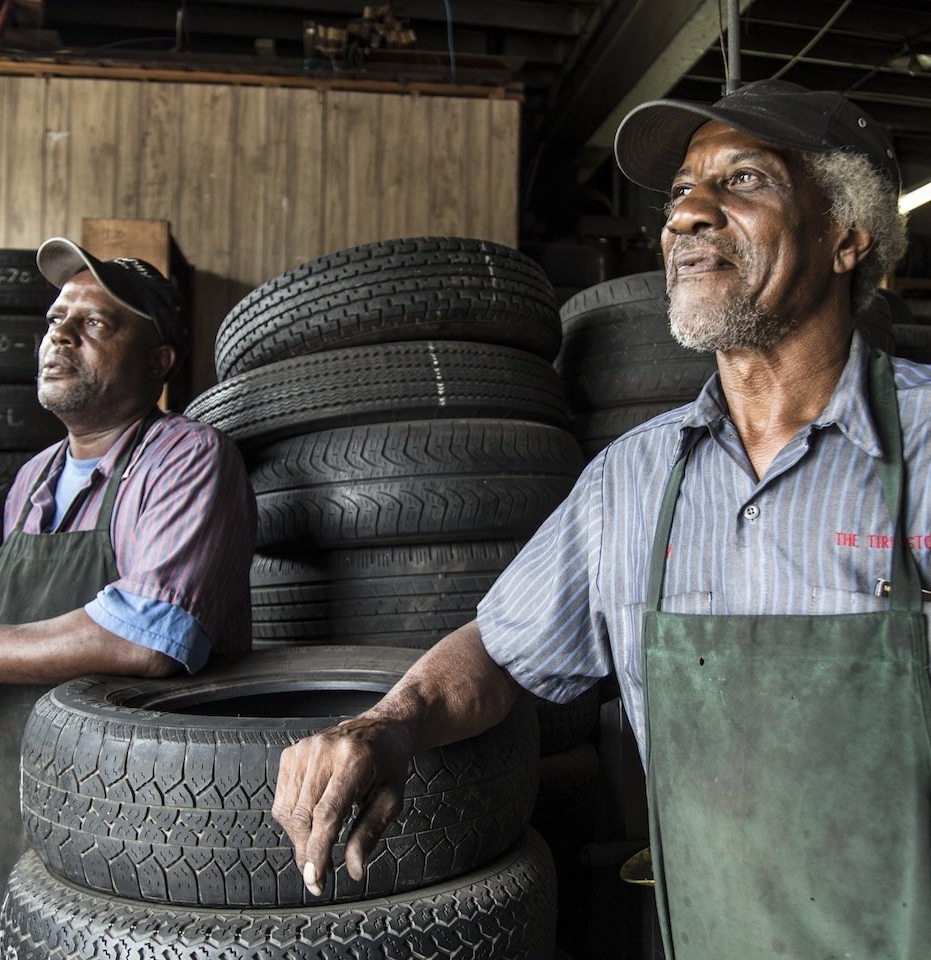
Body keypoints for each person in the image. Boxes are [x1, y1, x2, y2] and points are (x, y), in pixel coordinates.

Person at [272, 79, 929, 959]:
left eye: (744, 181)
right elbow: (502, 650)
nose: (687, 215)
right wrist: (387, 724)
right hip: (709, 935)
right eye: (681, 192)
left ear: (847, 236)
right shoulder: (635, 477)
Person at [0, 237, 256, 952]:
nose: (59, 334)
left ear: (160, 362)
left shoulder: (187, 458)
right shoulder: (32, 478)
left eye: (95, 323)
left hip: (119, 819)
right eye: (54, 318)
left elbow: (146, 640)